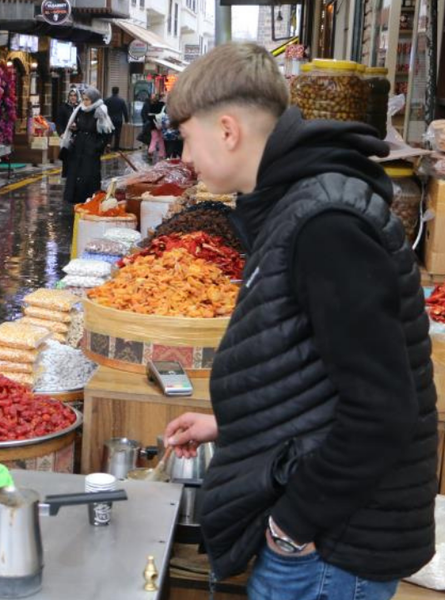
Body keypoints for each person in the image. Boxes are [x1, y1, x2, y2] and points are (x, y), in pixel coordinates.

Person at [161, 43, 437, 600]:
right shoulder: (295, 205)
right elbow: (314, 365)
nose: (184, 155)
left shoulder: (326, 224)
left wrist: (291, 528)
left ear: (229, 130)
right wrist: (233, 425)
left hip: (333, 550)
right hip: (327, 540)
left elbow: (382, 410)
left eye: (186, 136)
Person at [60, 87, 114, 204]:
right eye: (84, 99)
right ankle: (73, 198)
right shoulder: (80, 110)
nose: (85, 102)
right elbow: (80, 126)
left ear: (94, 99)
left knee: (89, 175)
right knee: (74, 173)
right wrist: (75, 129)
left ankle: (89, 199)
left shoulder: (100, 111)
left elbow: (107, 131)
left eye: (88, 99)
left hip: (90, 149)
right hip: (78, 148)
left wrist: (97, 147)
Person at [140, 93, 166, 162]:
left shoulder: (151, 105)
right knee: (161, 140)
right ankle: (161, 154)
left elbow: (149, 115)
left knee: (153, 139)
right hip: (160, 125)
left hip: (152, 125)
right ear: (161, 98)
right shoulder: (163, 105)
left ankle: (150, 150)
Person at [104, 86, 129, 151]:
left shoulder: (107, 100)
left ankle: (108, 145)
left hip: (109, 120)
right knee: (117, 135)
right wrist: (126, 120)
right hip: (118, 120)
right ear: (118, 92)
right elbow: (125, 111)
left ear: (112, 91)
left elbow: (104, 110)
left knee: (109, 134)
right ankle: (116, 148)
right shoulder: (121, 101)